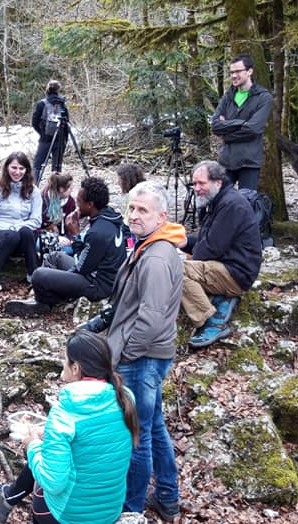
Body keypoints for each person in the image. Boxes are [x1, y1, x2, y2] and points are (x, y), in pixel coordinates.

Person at [0, 330, 138, 524]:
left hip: (70, 516)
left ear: (75, 368)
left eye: (65, 359)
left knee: (41, 461)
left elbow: (53, 483)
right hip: (109, 511)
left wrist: (32, 445)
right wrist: (48, 436)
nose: (62, 363)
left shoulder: (65, 414)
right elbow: (93, 443)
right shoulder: (125, 398)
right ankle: (4, 501)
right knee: (49, 453)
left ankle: (3, 502)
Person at [103, 181, 184, 520]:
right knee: (153, 427)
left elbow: (150, 321)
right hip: (150, 356)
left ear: (161, 217)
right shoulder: (149, 246)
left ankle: (130, 508)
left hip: (143, 359)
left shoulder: (155, 258)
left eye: (142, 211)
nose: (134, 216)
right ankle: (167, 495)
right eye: (132, 208)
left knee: (137, 437)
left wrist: (126, 356)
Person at [5, 177, 126, 316]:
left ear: (90, 204)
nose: (77, 205)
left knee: (38, 275)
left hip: (97, 285)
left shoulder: (98, 233)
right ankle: (49, 293)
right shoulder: (110, 216)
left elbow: (81, 267)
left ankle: (44, 303)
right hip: (94, 273)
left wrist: (75, 235)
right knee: (54, 257)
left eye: (79, 202)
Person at [177, 161, 262, 349]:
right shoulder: (219, 200)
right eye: (194, 184)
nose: (196, 188)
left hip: (237, 273)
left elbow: (211, 248)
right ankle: (220, 296)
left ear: (218, 182)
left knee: (174, 270)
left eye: (201, 183)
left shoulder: (231, 205)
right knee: (178, 260)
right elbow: (206, 238)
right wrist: (185, 243)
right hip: (228, 265)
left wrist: (186, 259)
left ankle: (211, 320)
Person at [0, 152, 43, 292]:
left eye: (21, 168)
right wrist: (10, 227)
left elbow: (36, 220)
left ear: (27, 170)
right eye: (14, 168)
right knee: (12, 235)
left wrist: (18, 226)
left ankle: (33, 273)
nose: (17, 172)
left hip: (23, 237)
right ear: (7, 168)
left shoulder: (34, 191)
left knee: (26, 232)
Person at [210, 54, 274, 190]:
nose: (233, 75)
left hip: (249, 162)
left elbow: (253, 129)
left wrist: (226, 132)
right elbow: (215, 125)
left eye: (238, 71)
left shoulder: (264, 97)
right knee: (220, 201)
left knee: (247, 203)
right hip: (226, 160)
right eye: (231, 72)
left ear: (249, 71)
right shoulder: (228, 96)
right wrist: (241, 123)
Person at [31, 80, 69, 183]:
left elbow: (34, 122)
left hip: (45, 139)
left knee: (37, 165)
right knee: (56, 168)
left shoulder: (41, 104)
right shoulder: (62, 105)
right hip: (59, 140)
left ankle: (34, 189)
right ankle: (55, 193)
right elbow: (67, 124)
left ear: (47, 89)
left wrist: (42, 133)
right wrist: (65, 140)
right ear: (58, 90)